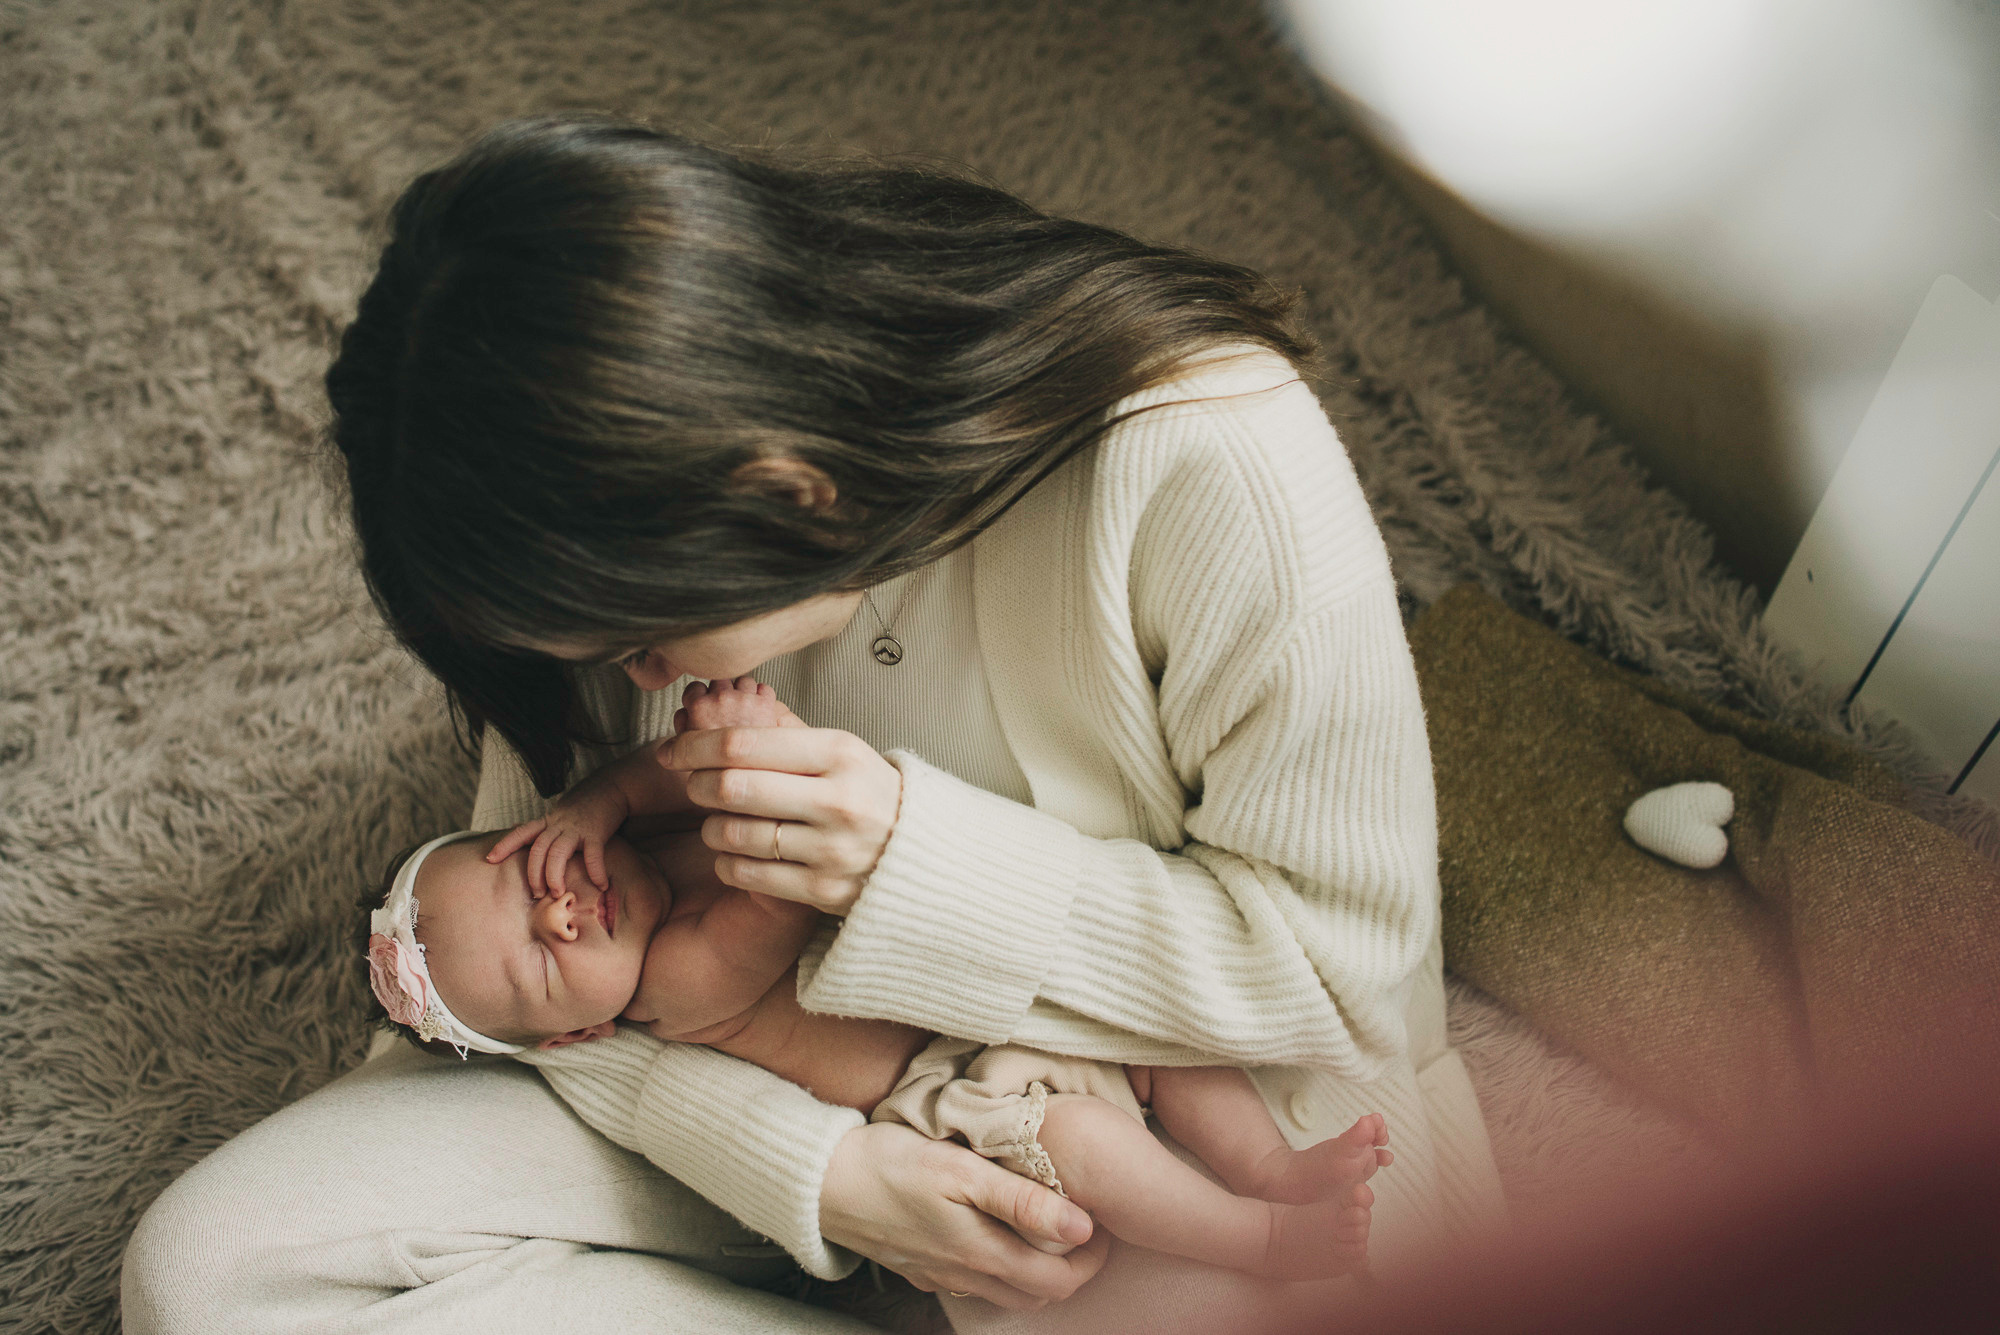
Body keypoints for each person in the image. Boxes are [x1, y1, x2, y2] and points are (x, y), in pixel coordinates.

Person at [122, 113, 1504, 1334]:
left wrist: (909, 857)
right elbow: (537, 1006)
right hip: (776, 1105)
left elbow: (1343, 974)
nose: (625, 679)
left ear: (786, 496)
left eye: (639, 642)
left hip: (1145, 1120)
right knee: (226, 1275)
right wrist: (821, 1175)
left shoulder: (1213, 457)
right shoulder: (593, 550)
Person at [363, 676, 1395, 1283]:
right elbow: (787, 892)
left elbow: (669, 777)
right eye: (545, 961)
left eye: (533, 875)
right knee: (1090, 1147)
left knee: (1156, 1046)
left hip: (988, 994)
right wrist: (759, 752)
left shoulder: (628, 838)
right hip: (954, 1094)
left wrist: (609, 793)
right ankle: (1257, 1236)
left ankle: (1265, 1166)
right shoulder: (668, 984)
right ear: (575, 1039)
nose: (561, 910)